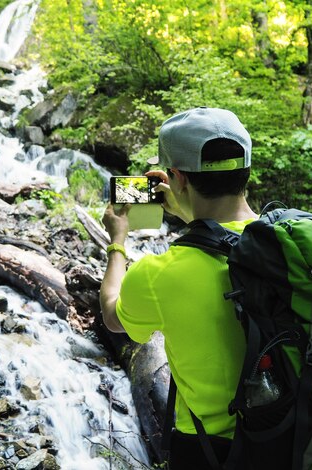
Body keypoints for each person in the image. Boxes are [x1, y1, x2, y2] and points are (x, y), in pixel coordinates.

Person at [100, 107, 258, 469]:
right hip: (294, 437)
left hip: (212, 451)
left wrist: (118, 241)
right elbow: (225, 236)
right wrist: (189, 211)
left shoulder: (159, 273)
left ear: (177, 179)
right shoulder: (281, 239)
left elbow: (112, 314)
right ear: (245, 172)